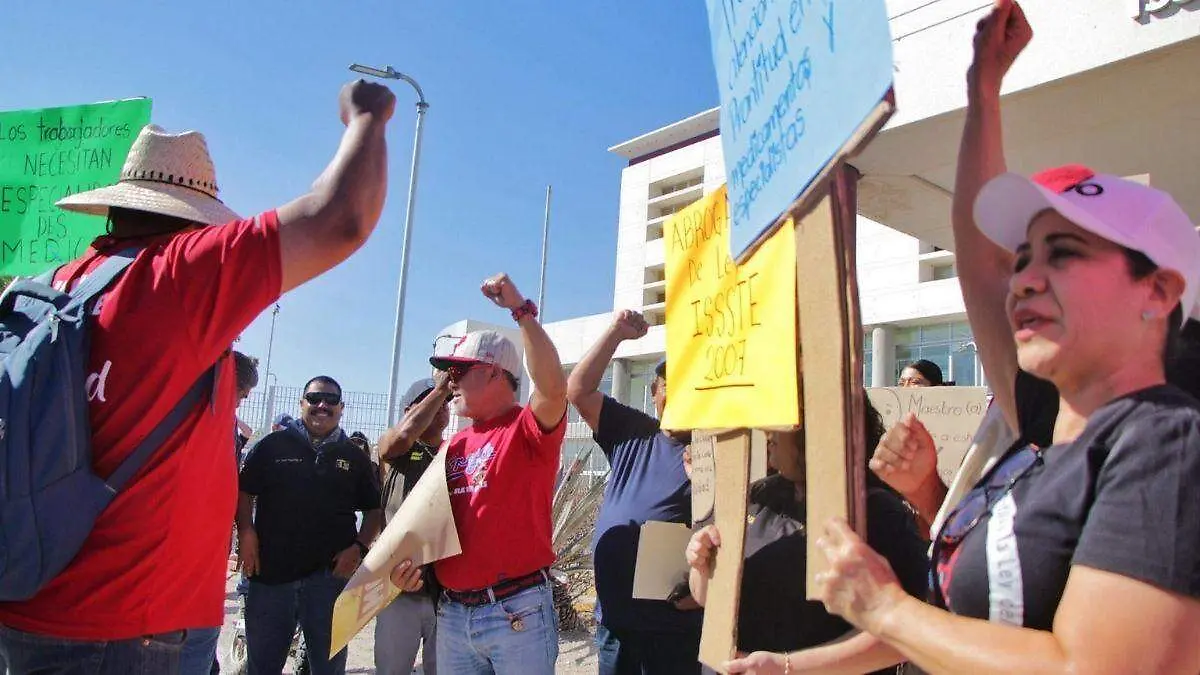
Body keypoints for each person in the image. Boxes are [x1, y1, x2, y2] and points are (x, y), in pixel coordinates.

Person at [812, 3, 1200, 673]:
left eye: (1064, 253)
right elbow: (976, 251)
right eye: (1024, 260)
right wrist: (980, 90)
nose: (1023, 281)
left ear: (1159, 292)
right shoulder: (1043, 433)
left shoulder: (1167, 438)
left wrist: (884, 605)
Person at [0, 79, 396, 674]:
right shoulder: (175, 277)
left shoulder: (51, 287)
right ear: (193, 222)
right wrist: (368, 116)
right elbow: (341, 218)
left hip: (27, 607)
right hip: (131, 631)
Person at [686, 396, 928, 675]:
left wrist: (789, 668)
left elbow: (905, 636)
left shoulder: (877, 513)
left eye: (782, 421)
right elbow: (704, 597)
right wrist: (702, 565)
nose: (767, 432)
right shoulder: (755, 496)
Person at [404, 273, 568, 675]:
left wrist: (521, 311)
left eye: (460, 371)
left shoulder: (527, 428)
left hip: (517, 613)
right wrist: (410, 570)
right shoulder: (453, 446)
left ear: (495, 373)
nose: (450, 381)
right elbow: (432, 529)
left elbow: (552, 389)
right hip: (454, 614)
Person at [566, 310, 702, 674]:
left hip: (676, 627)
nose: (675, 391)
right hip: (616, 622)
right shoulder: (632, 430)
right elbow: (578, 390)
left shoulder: (717, 450)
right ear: (654, 393)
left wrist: (707, 587)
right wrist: (616, 334)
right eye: (667, 383)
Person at [236, 376, 384, 675]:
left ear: (342, 408)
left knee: (328, 669)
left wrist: (358, 547)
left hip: (329, 582)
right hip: (270, 578)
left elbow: (374, 510)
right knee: (261, 667)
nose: (322, 405)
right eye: (314, 398)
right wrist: (246, 531)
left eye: (331, 400)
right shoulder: (271, 446)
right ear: (302, 403)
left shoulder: (353, 456)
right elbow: (243, 490)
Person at [373, 374, 453, 675]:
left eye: (446, 402)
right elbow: (400, 438)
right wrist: (443, 387)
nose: (441, 407)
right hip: (398, 591)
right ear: (409, 409)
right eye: (430, 400)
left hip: (445, 594)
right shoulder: (395, 449)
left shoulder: (454, 452)